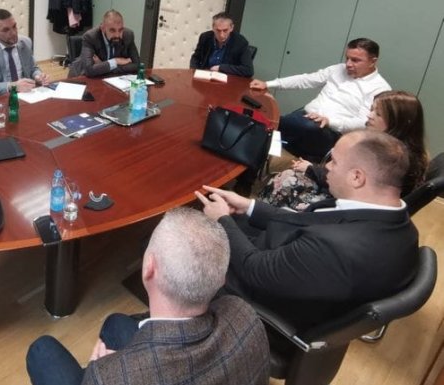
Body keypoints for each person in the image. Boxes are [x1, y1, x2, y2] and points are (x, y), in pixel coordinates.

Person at [195, 129, 419, 330]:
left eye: (334, 162)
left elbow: (254, 270)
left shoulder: (333, 247)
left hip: (255, 297)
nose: (326, 167)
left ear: (357, 177)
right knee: (230, 221)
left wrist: (222, 220)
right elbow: (306, 222)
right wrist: (249, 206)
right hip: (289, 263)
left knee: (191, 240)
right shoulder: (397, 222)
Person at [25, 207, 270, 385]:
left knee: (41, 351)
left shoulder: (106, 377)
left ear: (148, 268)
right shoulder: (244, 314)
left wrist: (103, 370)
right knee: (115, 323)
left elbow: (110, 376)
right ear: (221, 279)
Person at [259, 90, 428, 210]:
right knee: (287, 176)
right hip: (344, 197)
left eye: (378, 114)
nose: (369, 116)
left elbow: (350, 186)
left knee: (284, 180)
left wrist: (311, 169)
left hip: (343, 208)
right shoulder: (393, 147)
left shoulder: (391, 158)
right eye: (371, 110)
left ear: (397, 122)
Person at [250, 38, 391, 161]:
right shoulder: (338, 69)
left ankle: (271, 134)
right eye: (347, 58)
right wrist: (268, 84)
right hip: (304, 118)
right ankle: (263, 150)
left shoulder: (379, 88)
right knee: (265, 131)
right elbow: (306, 80)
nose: (348, 64)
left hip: (331, 132)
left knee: (273, 127)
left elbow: (364, 122)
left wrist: (329, 121)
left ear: (373, 61)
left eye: (355, 60)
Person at [0, 9, 49, 98]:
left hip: (26, 94)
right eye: (6, 30)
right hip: (0, 97)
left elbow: (33, 68)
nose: (13, 33)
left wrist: (38, 76)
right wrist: (13, 86)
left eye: (14, 26)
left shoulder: (25, 42)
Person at [68, 9, 140, 78]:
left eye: (120, 30)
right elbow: (89, 70)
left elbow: (137, 65)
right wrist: (115, 61)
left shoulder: (128, 35)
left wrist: (104, 65)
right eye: (112, 30)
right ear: (103, 28)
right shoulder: (90, 37)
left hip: (110, 78)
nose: (117, 35)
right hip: (80, 77)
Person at [190, 12, 254, 77]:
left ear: (231, 28)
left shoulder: (240, 42)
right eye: (218, 30)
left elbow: (248, 70)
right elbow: (195, 58)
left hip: (228, 79)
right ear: (213, 28)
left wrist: (221, 68)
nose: (221, 35)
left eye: (225, 30)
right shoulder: (205, 37)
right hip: (206, 76)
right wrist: (195, 72)